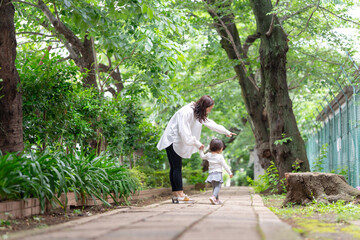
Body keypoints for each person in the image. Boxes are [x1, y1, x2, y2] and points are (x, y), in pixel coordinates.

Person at [157, 95, 236, 204]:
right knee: (176, 167)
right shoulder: (186, 112)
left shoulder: (198, 112)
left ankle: (176, 194)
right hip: (172, 140)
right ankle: (180, 194)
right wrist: (197, 143)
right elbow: (184, 132)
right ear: (204, 106)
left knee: (175, 167)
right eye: (210, 108)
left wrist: (226, 132)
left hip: (176, 140)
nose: (210, 110)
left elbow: (211, 124)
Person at [200, 138, 232, 205]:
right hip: (217, 173)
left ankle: (216, 200)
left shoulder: (208, 155)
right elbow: (225, 165)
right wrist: (230, 173)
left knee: (215, 187)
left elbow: (202, 156)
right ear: (219, 148)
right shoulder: (220, 156)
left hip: (211, 173)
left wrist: (201, 150)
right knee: (218, 186)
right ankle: (213, 197)